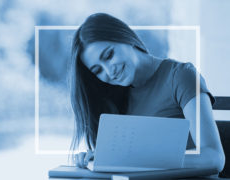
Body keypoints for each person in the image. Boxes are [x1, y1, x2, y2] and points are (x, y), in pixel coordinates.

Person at [69, 13, 225, 172]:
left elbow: (214, 157)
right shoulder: (115, 99)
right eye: (98, 70)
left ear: (125, 37)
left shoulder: (181, 76)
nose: (109, 72)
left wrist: (139, 160)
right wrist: (97, 159)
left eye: (109, 55)